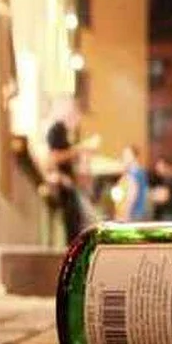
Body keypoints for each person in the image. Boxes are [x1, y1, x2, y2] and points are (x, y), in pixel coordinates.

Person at [45, 98, 98, 243]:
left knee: (78, 223)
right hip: (64, 186)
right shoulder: (57, 129)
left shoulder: (65, 132)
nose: (77, 121)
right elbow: (54, 158)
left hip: (69, 186)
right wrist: (81, 149)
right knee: (76, 225)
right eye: (76, 115)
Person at [115, 145, 148, 221]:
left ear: (133, 156)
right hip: (139, 213)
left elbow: (131, 195)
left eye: (126, 155)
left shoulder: (133, 173)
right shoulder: (140, 171)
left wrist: (125, 215)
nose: (123, 158)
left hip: (132, 215)